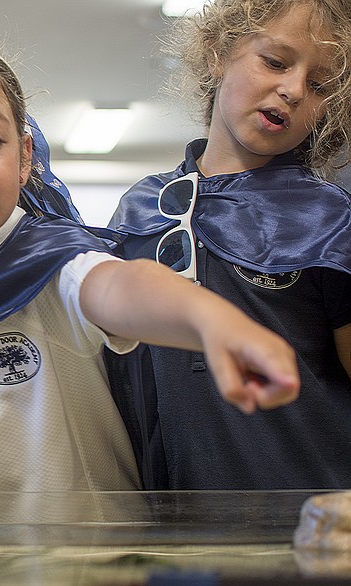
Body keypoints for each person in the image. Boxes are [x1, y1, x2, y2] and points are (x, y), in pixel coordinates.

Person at [0, 32, 300, 522]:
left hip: (95, 560)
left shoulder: (55, 260)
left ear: (23, 159)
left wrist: (213, 321)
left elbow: (122, 288)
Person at [107, 0, 351, 490]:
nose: (294, 88)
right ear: (219, 53)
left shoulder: (330, 221)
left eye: (320, 85)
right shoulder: (140, 211)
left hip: (307, 521)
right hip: (176, 528)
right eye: (276, 62)